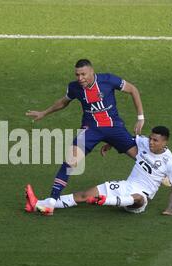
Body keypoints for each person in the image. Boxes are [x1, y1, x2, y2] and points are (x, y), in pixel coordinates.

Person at [26, 59, 145, 214]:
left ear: (92, 71)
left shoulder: (108, 80)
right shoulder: (74, 87)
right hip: (91, 129)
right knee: (70, 162)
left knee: (143, 160)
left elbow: (133, 90)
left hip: (114, 128)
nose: (80, 78)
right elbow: (63, 102)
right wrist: (44, 112)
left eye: (83, 74)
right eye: (77, 75)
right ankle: (51, 201)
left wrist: (140, 117)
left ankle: (158, 179)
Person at [25, 126, 172, 218]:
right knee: (84, 195)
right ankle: (40, 204)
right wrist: (110, 144)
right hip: (125, 186)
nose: (151, 142)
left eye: (155, 140)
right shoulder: (143, 143)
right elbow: (124, 140)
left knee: (139, 198)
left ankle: (104, 200)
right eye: (150, 138)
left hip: (141, 198)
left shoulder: (170, 163)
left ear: (165, 142)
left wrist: (170, 208)